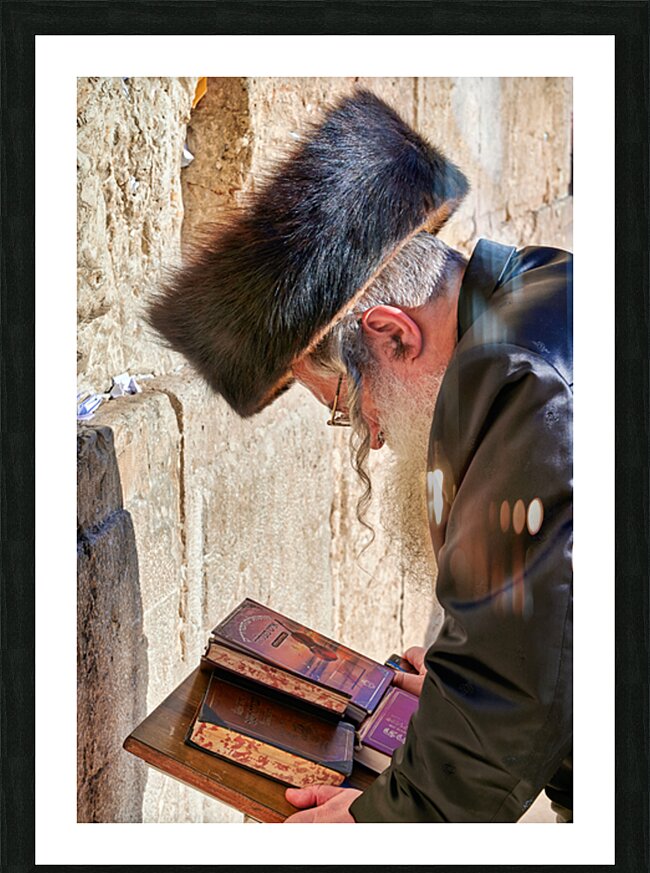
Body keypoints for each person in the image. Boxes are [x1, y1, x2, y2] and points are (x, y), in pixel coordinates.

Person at [148, 89, 572, 823]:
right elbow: (549, 629)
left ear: (392, 335)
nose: (372, 436)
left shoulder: (522, 392)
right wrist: (450, 693)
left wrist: (369, 826)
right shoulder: (543, 288)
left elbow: (509, 698)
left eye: (349, 406)